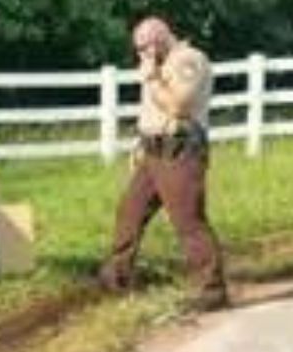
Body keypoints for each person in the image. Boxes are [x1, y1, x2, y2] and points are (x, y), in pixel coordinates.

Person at [96, 16, 228, 308]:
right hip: (152, 151)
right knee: (130, 212)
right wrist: (139, 145)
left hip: (180, 151)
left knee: (188, 221)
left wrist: (152, 77)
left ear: (160, 38)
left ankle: (212, 289)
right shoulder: (156, 65)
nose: (141, 53)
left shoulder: (189, 60)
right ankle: (116, 277)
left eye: (145, 47)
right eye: (139, 49)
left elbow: (178, 107)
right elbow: (151, 112)